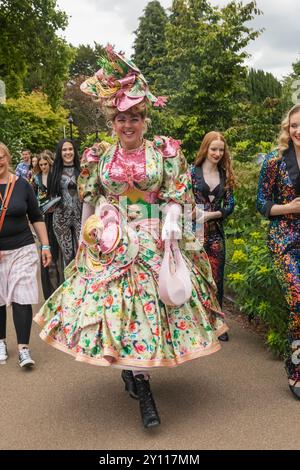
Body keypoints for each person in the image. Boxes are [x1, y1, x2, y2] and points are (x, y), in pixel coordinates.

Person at [34, 46, 227, 428]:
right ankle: (142, 383)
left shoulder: (164, 153)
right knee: (119, 313)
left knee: (148, 311)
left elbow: (175, 196)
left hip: (154, 240)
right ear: (113, 121)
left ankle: (138, 374)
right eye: (121, 118)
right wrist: (86, 239)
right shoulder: (99, 158)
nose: (127, 124)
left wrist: (171, 220)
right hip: (111, 242)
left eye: (134, 117)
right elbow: (90, 201)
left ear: (144, 119)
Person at [257, 103, 300, 399]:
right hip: (284, 239)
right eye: (294, 125)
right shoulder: (274, 161)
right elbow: (261, 203)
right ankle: (295, 367)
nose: (299, 131)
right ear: (288, 129)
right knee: (298, 299)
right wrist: (288, 208)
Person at [0, 143, 51, 367]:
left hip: (22, 247)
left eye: (1, 156)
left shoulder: (22, 185)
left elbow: (36, 215)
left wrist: (46, 246)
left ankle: (23, 349)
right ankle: (1, 342)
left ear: (8, 157)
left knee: (22, 296)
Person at [191, 132, 235, 342]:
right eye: (213, 149)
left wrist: (212, 214)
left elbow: (230, 205)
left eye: (221, 149)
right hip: (192, 232)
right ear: (205, 149)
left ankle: (217, 324)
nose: (217, 153)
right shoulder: (192, 173)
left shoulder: (225, 174)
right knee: (194, 277)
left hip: (215, 231)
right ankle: (194, 324)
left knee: (216, 277)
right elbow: (181, 199)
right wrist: (189, 212)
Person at [47, 139, 82, 268]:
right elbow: (50, 196)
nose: (68, 152)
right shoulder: (54, 172)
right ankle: (69, 286)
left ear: (75, 151)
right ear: (60, 153)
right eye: (64, 150)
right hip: (61, 220)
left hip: (81, 219)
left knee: (83, 254)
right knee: (68, 257)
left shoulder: (83, 170)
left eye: (70, 149)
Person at [32, 152, 62, 299]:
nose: (43, 167)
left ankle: (60, 286)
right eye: (41, 165)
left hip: (57, 215)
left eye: (45, 164)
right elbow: (33, 198)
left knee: (58, 250)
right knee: (46, 247)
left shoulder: (56, 176)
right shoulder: (36, 179)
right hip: (43, 217)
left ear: (50, 163)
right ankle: (49, 291)